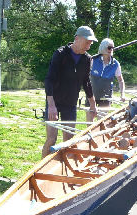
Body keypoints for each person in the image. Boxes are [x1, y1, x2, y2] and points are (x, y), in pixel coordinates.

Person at [42, 26, 98, 158]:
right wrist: (51, 105)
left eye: (90, 43)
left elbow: (86, 82)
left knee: (69, 141)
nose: (88, 46)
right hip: (54, 102)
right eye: (87, 42)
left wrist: (93, 104)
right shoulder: (60, 54)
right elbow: (49, 79)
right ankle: (40, 166)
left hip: (70, 103)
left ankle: (64, 167)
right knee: (51, 139)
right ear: (77, 39)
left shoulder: (87, 59)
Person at [85, 38, 126, 122]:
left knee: (101, 122)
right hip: (91, 95)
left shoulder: (115, 64)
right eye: (109, 48)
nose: (111, 50)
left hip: (106, 97)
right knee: (89, 122)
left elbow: (120, 80)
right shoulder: (93, 60)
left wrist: (122, 94)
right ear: (103, 48)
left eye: (112, 48)